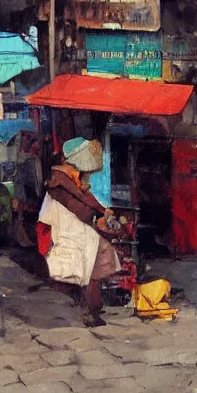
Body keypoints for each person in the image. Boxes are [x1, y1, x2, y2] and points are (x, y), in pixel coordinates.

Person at [41, 138, 120, 328]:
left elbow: (86, 199)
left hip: (80, 231)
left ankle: (91, 308)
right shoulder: (58, 181)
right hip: (66, 231)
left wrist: (103, 211)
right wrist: (95, 218)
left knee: (93, 264)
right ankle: (86, 311)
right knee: (82, 267)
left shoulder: (72, 179)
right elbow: (75, 205)